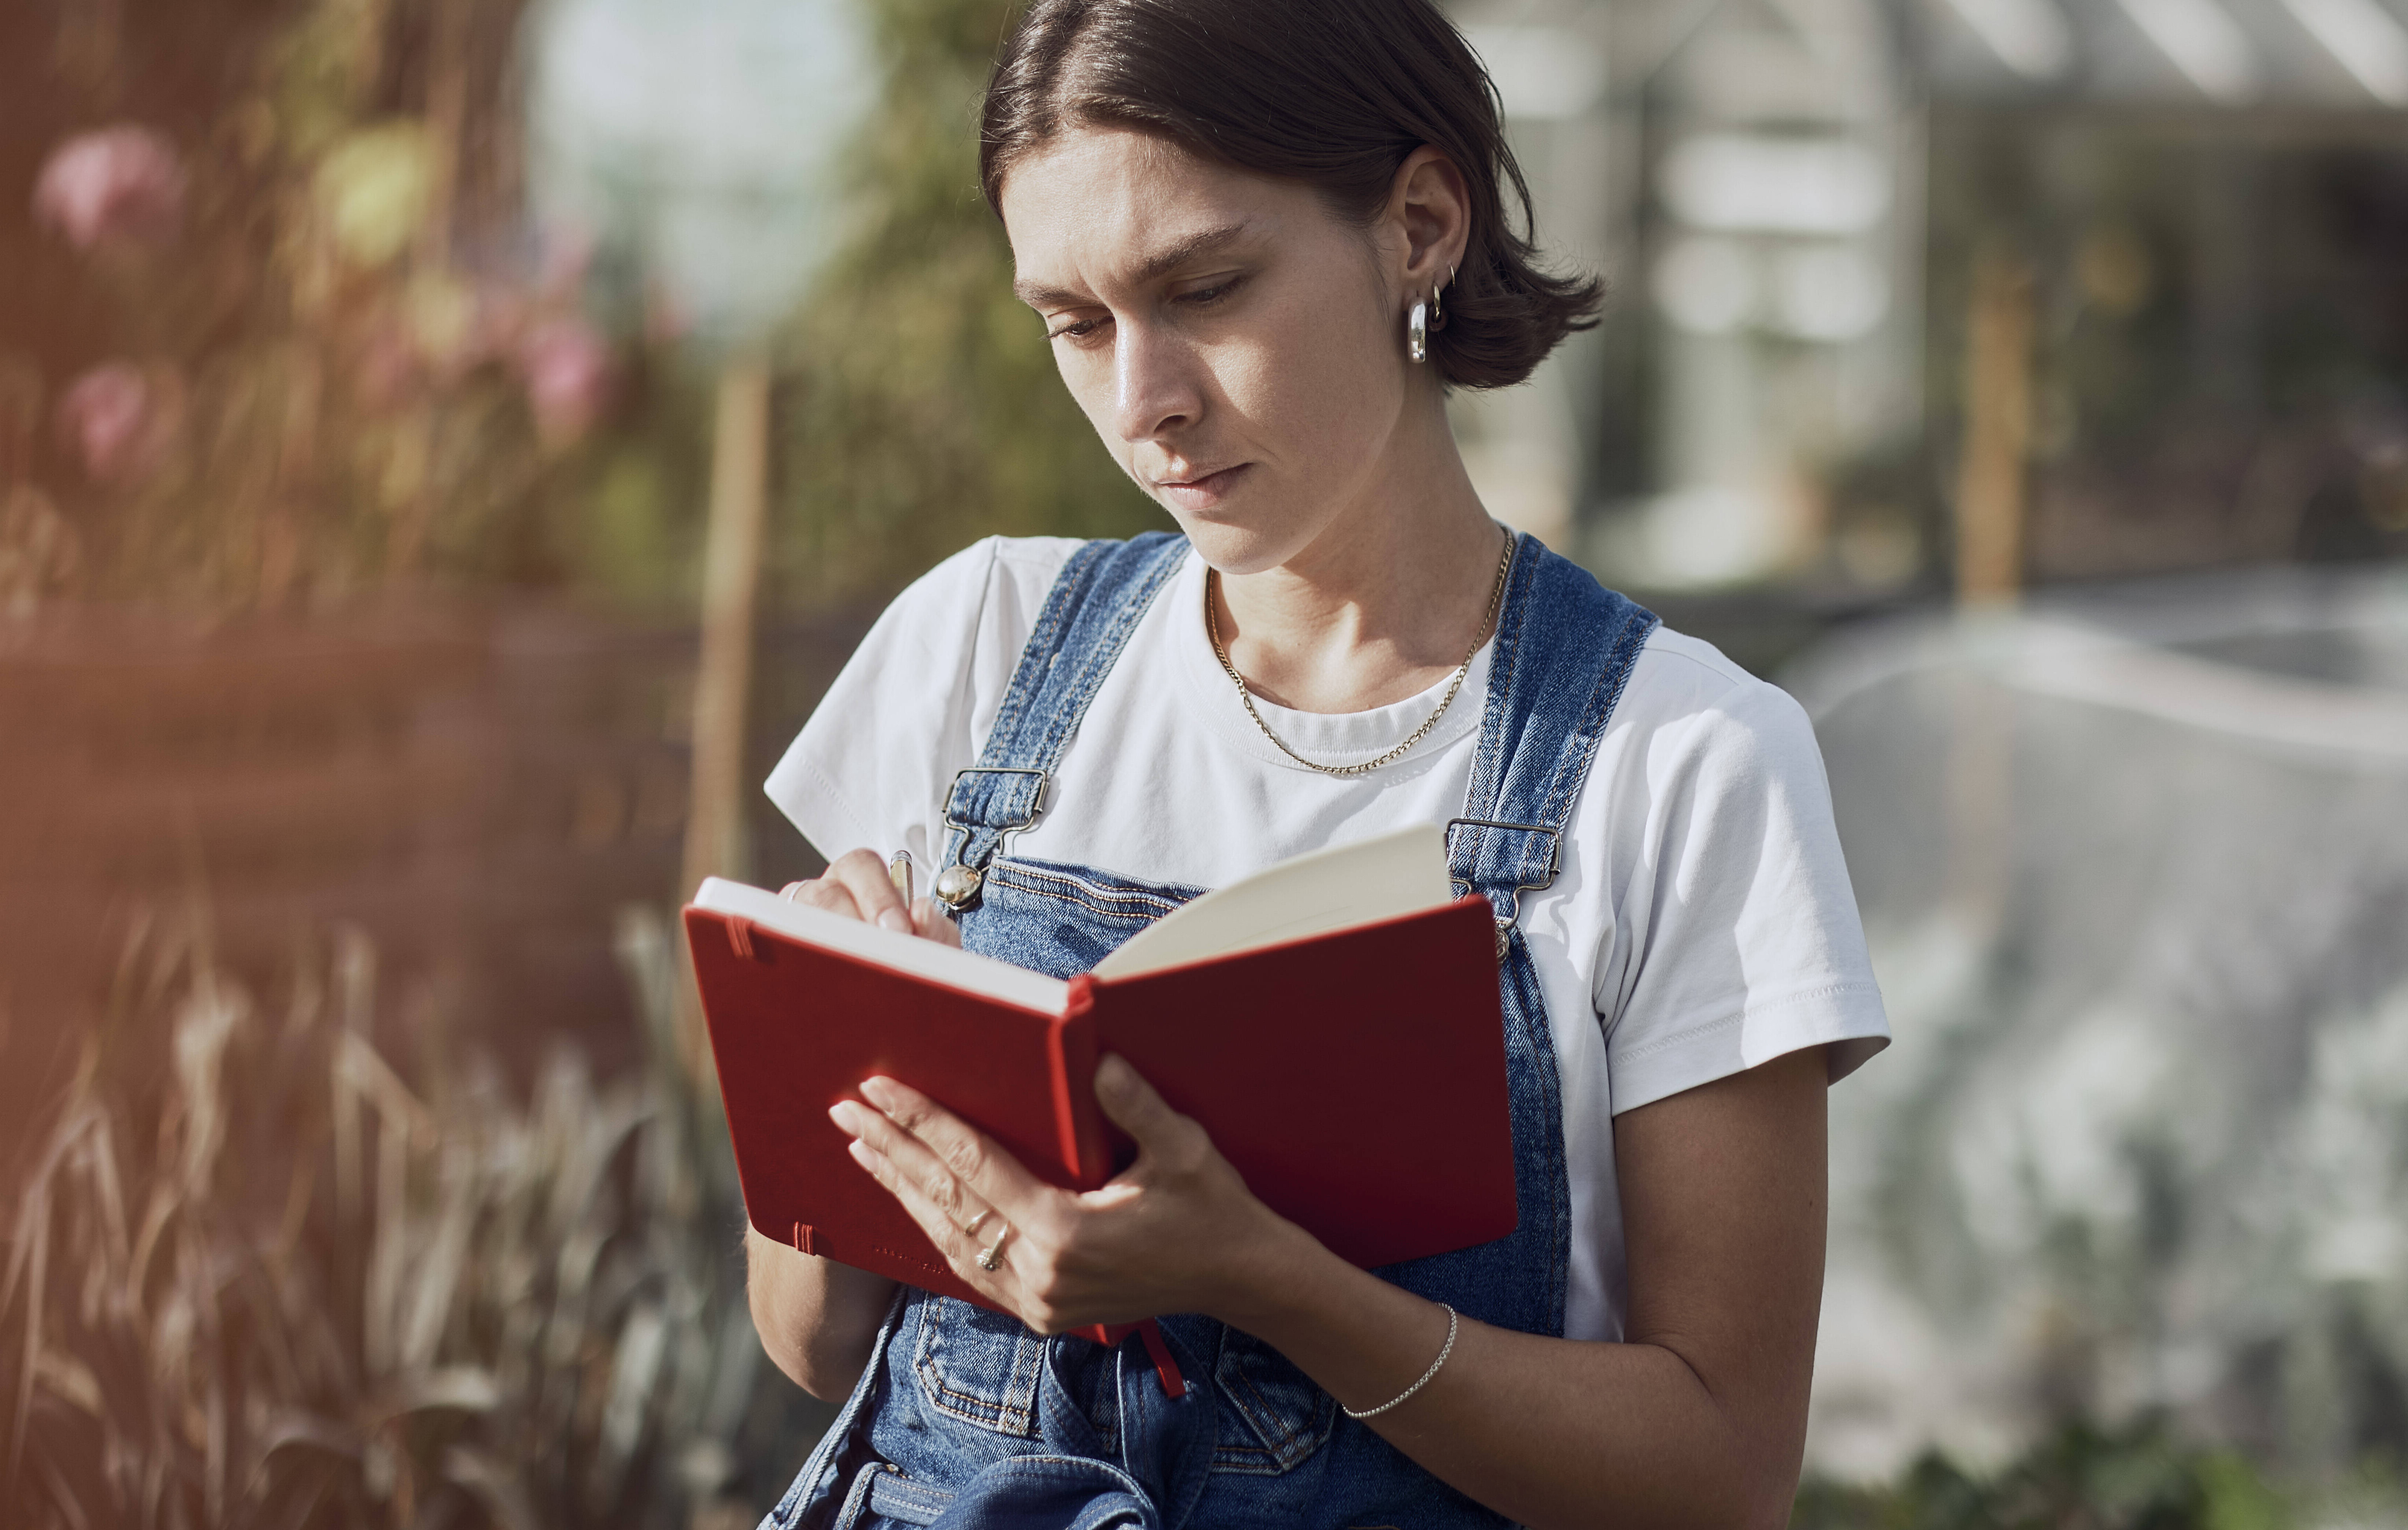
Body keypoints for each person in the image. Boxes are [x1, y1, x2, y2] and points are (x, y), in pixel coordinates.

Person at [744, 1, 1889, 1525]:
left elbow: (1721, 1474)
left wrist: (1266, 1280)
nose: (1144, 401)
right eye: (1075, 324)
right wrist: (836, 1080)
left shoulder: (1682, 762)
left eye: (1204, 286)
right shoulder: (982, 645)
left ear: (1418, 224)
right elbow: (812, 1347)